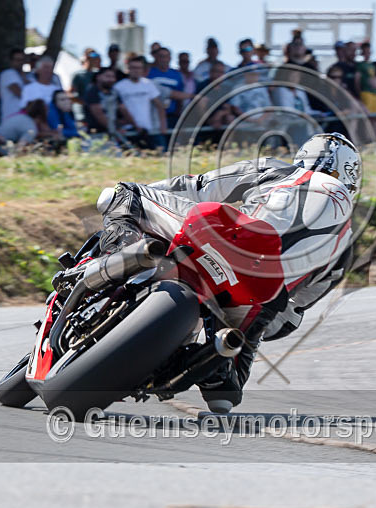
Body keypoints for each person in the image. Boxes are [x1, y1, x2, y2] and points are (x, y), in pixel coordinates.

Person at [95, 132, 359, 413]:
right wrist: (259, 323)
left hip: (220, 238)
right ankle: (210, 367)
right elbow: (291, 314)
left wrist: (152, 193)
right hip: (262, 294)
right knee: (225, 396)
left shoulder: (278, 169)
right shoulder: (347, 246)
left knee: (124, 196)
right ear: (352, 178)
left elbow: (198, 187)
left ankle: (115, 269)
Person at [114, 56, 168, 148]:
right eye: (133, 68)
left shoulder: (148, 84)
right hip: (128, 129)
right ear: (128, 69)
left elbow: (159, 105)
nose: (136, 70)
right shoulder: (119, 86)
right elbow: (116, 108)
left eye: (139, 68)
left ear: (143, 69)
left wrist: (163, 125)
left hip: (148, 129)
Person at [83, 67, 138, 135]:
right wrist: (114, 130)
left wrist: (136, 126)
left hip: (115, 131)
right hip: (98, 133)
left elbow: (123, 109)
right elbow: (99, 114)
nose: (111, 79)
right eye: (107, 76)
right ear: (98, 77)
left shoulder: (114, 92)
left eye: (113, 77)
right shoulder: (92, 92)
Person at [147, 47, 191, 129]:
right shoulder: (149, 73)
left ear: (170, 58)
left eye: (166, 56)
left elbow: (180, 96)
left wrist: (178, 113)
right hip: (154, 116)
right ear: (156, 58)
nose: (164, 59)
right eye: (161, 56)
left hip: (172, 115)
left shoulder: (177, 75)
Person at [0, 48, 29, 123]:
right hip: (11, 117)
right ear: (11, 61)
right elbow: (19, 93)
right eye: (17, 60)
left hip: (23, 117)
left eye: (22, 60)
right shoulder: (8, 73)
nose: (20, 62)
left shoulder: (25, 76)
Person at [355, 41, 376, 115]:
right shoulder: (360, 65)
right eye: (365, 51)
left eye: (368, 51)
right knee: (368, 115)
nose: (367, 53)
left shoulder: (373, 65)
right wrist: (359, 94)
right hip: (366, 93)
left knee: (375, 116)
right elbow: (357, 80)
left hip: (375, 94)